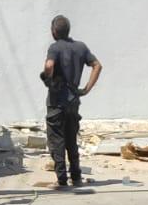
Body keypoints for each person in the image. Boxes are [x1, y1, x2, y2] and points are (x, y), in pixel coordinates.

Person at [40, 15, 102, 189]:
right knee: (71, 139)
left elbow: (49, 65)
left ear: (54, 31)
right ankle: (76, 177)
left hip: (56, 101)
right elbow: (97, 65)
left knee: (56, 140)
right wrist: (86, 89)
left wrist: (48, 77)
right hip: (73, 100)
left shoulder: (54, 47)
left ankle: (61, 179)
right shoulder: (81, 47)